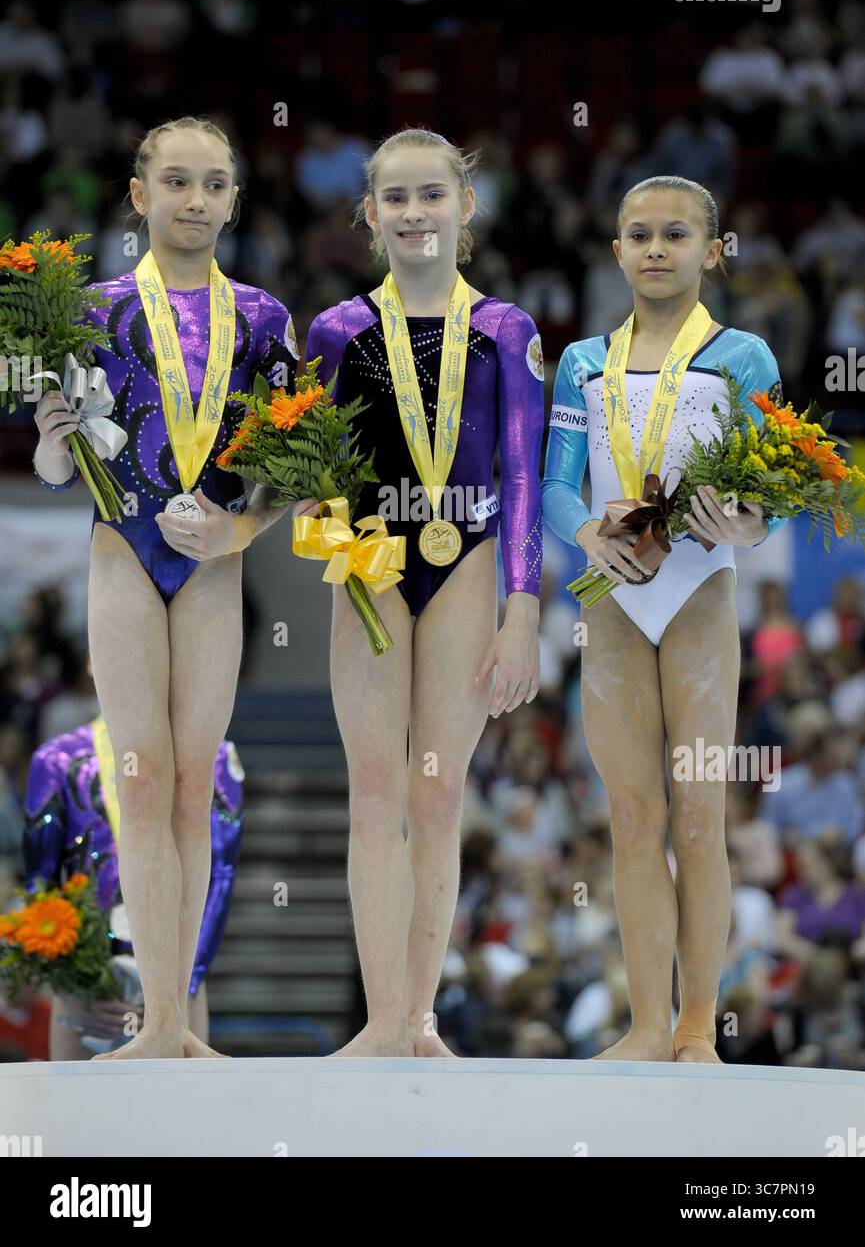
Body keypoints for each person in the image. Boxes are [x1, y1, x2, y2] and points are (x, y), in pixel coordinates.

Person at [32, 115, 316, 1059]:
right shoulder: (88, 308)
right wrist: (47, 440)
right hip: (121, 552)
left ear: (234, 199)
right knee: (142, 778)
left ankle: (173, 1021)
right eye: (178, 181)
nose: (195, 200)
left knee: (194, 787)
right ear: (139, 193)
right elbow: (64, 470)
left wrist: (241, 527)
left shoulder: (266, 319)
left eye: (214, 184)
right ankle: (157, 1024)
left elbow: (301, 465)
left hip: (213, 568)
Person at [304, 128, 544, 1056]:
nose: (413, 214)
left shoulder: (505, 329)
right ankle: (378, 1021)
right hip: (368, 564)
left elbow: (520, 475)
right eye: (395, 199)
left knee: (438, 795)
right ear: (370, 215)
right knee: (374, 790)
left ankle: (419, 1018)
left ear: (465, 206)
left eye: (430, 196)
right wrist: (324, 526)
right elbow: (312, 462)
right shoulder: (335, 330)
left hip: (469, 557)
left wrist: (523, 608)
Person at [543, 174, 787, 1063]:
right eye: (638, 234)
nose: (655, 249)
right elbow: (556, 483)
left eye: (675, 235)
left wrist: (750, 522)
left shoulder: (743, 355)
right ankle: (646, 1025)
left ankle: (697, 1028)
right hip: (611, 597)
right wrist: (578, 530)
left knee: (697, 817)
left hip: (697, 589)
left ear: (713, 252)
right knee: (634, 816)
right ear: (614, 251)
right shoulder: (581, 361)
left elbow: (778, 490)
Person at [22, 714, 244, 1059]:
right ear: (91, 663)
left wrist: (177, 994)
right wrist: (72, 988)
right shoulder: (57, 759)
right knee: (80, 1107)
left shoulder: (213, 756)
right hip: (86, 990)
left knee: (182, 1106)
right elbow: (40, 883)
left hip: (182, 980)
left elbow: (221, 877)